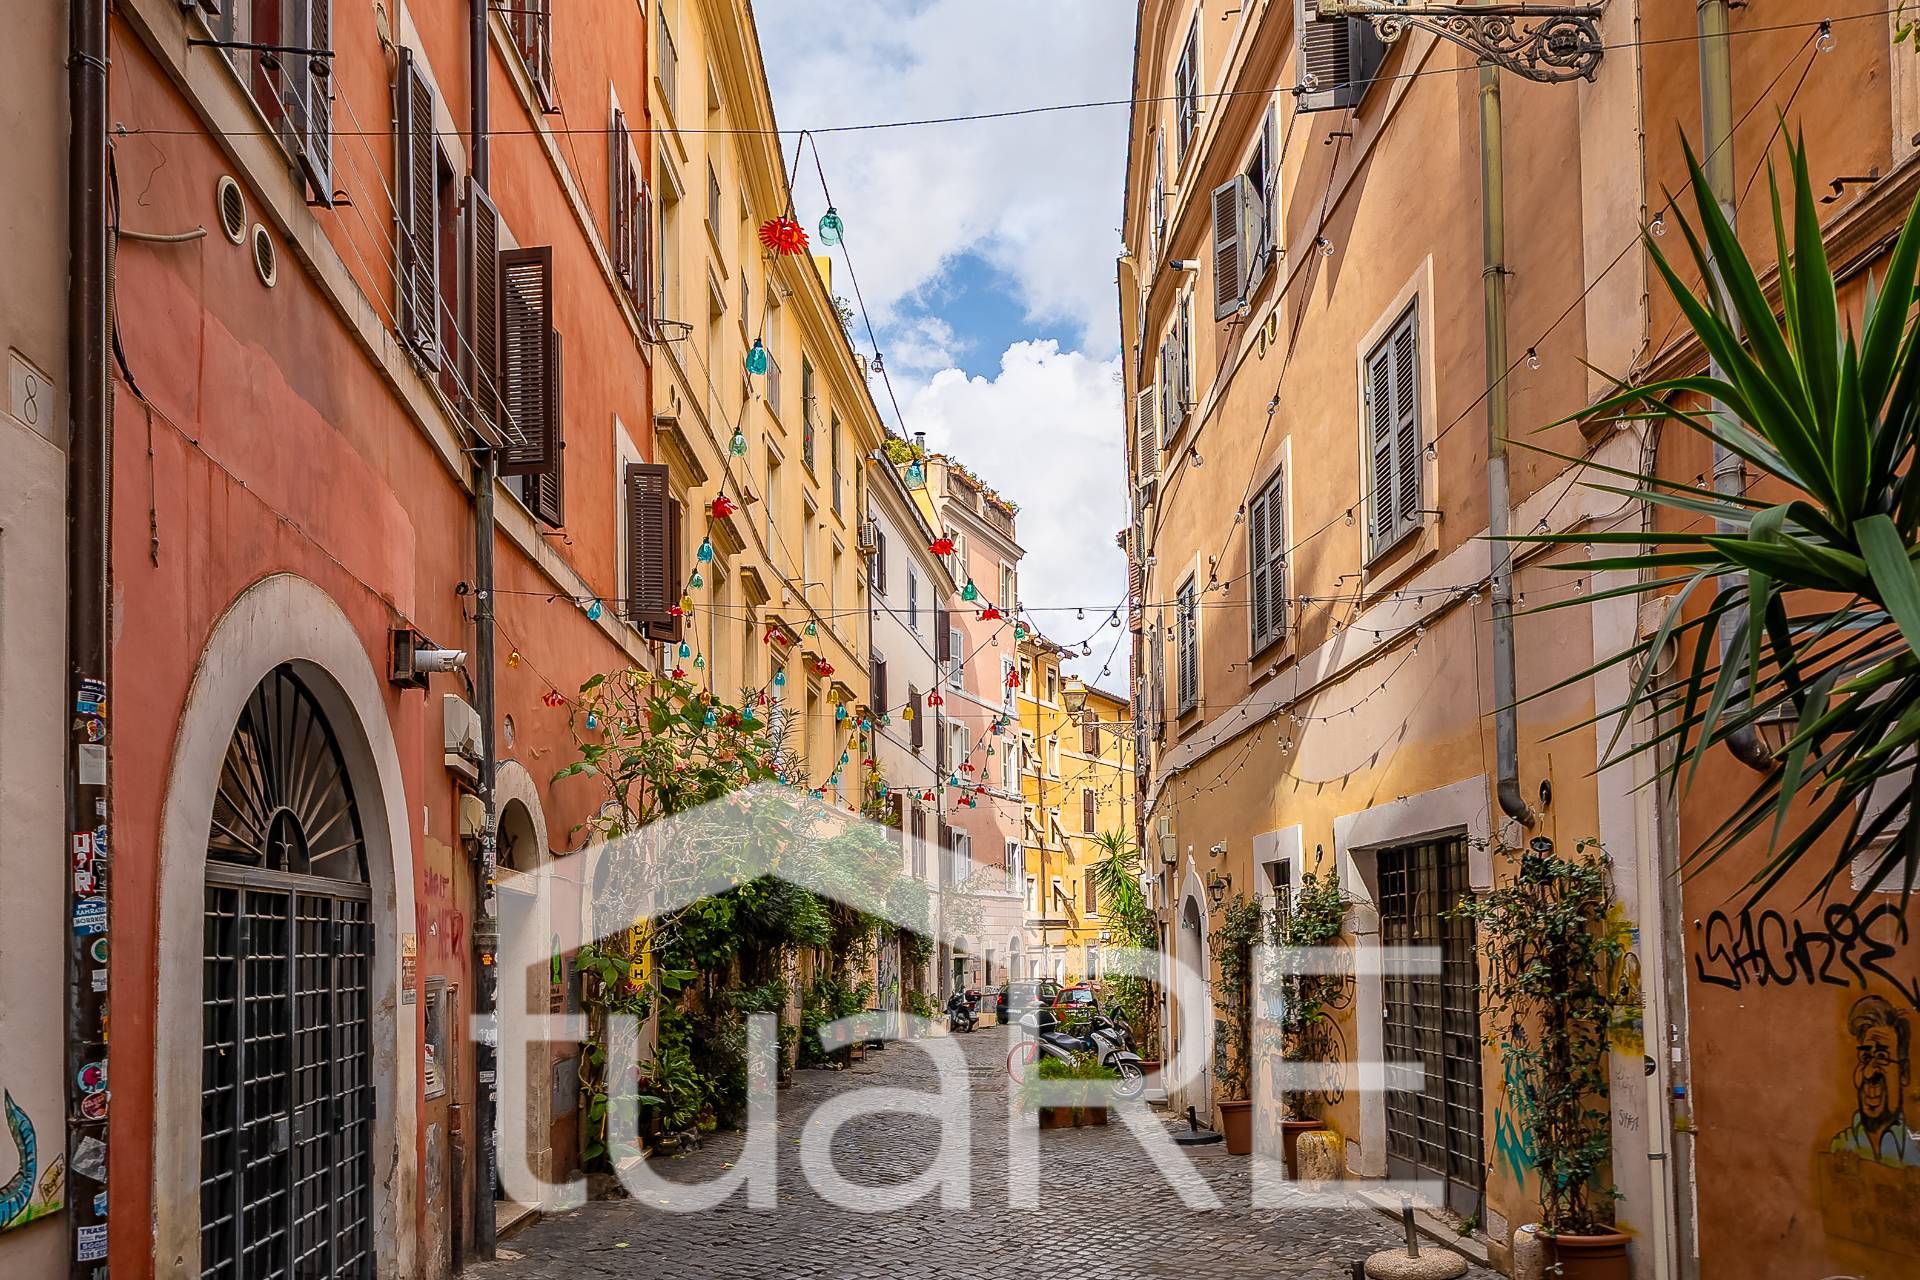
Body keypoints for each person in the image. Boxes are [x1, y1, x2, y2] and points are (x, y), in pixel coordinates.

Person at [1828, 994, 1920, 1167]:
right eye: (1865, 1057)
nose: (1869, 1073)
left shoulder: (1916, 1149)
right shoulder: (1841, 1146)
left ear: (1903, 1072)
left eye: (1882, 1057)